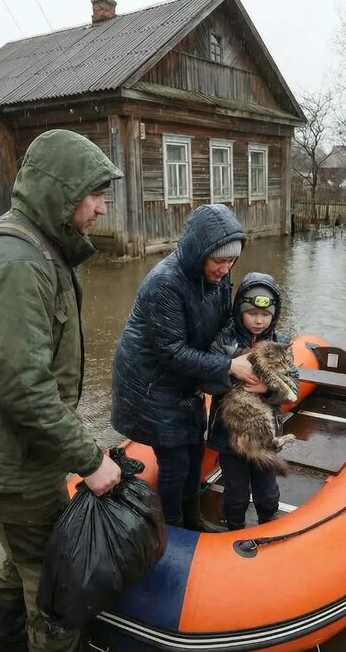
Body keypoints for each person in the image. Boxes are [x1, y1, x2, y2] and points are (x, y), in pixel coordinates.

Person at [0, 129, 124, 652]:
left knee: (22, 553)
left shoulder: (40, 247)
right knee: (54, 583)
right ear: (61, 193)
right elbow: (23, 387)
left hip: (18, 451)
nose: (102, 209)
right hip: (8, 460)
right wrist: (90, 459)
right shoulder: (17, 263)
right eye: (95, 195)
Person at [111, 203, 258, 530]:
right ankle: (172, 528)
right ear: (198, 252)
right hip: (150, 384)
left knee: (195, 449)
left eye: (231, 261)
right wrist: (229, 366)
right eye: (219, 260)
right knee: (175, 461)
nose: (225, 268)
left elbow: (224, 322)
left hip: (186, 381)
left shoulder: (221, 274)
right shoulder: (164, 283)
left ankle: (193, 518)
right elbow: (172, 352)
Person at [205, 272, 294, 529]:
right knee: (236, 491)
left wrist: (266, 388)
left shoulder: (282, 342)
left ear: (274, 314)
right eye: (252, 313)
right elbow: (206, 382)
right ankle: (234, 527)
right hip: (229, 436)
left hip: (264, 436)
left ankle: (268, 521)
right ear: (239, 310)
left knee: (267, 489)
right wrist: (232, 371)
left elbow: (292, 389)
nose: (258, 320)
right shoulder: (223, 339)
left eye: (265, 314)